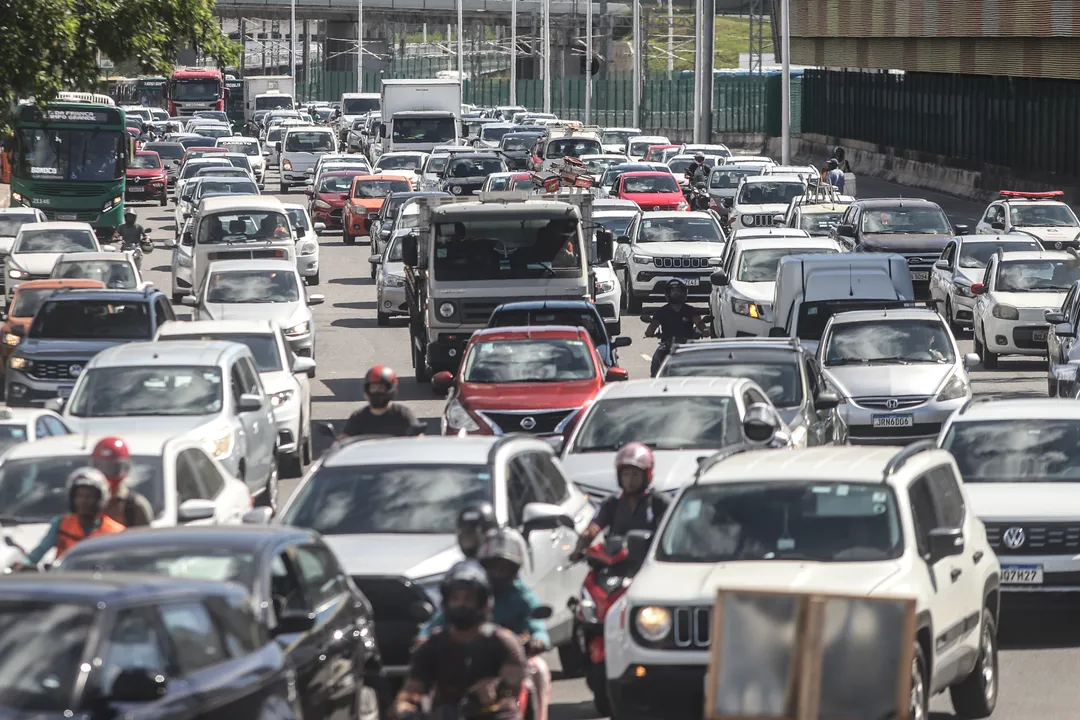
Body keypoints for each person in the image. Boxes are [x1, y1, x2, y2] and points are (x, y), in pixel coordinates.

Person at [392, 561, 528, 720]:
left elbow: (512, 687)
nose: (461, 604)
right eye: (455, 598)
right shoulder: (432, 645)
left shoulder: (503, 642)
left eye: (468, 598)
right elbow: (413, 689)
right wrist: (404, 707)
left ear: (482, 603)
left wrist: (494, 688)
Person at [570, 442, 671, 562]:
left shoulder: (659, 502)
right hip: (615, 562)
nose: (630, 480)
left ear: (646, 475)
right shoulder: (611, 502)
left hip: (649, 564)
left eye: (635, 475)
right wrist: (579, 547)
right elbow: (593, 528)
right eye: (626, 475)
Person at [14, 468, 125, 569]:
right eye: (79, 496)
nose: (83, 501)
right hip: (64, 584)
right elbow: (37, 553)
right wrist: (23, 564)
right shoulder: (61, 524)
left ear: (100, 499)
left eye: (89, 496)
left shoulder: (116, 532)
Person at [644, 279, 709, 377]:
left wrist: (705, 331)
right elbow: (649, 331)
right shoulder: (661, 312)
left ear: (683, 292)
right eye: (673, 291)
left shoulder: (690, 311)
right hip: (667, 345)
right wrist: (652, 332)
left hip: (687, 346)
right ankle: (655, 380)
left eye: (678, 291)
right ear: (668, 293)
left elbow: (701, 326)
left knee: (702, 362)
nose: (675, 293)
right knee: (656, 360)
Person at [341, 365, 424, 437]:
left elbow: (419, 441)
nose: (376, 392)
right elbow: (343, 441)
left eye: (380, 388)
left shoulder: (403, 415)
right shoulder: (358, 417)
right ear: (367, 390)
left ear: (391, 390)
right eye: (373, 388)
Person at [92, 436, 154, 528]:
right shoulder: (86, 500)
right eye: (100, 467)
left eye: (111, 468)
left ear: (124, 467)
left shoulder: (135, 505)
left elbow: (144, 539)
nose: (105, 474)